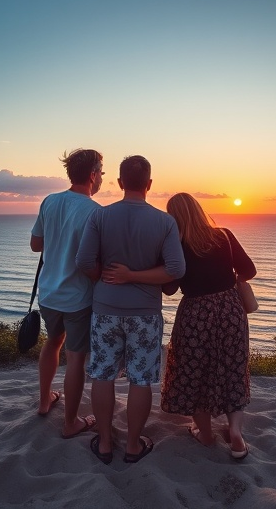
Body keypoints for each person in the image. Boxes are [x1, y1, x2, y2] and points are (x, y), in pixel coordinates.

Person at [75, 155, 186, 464]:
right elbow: (175, 268)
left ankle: (107, 443)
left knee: (103, 375)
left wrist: (111, 278)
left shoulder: (100, 217)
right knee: (140, 379)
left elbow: (83, 262)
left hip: (105, 310)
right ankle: (134, 445)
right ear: (149, 184)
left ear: (120, 183)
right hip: (145, 314)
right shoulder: (165, 222)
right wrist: (138, 277)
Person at [160, 192, 256, 460]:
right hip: (230, 311)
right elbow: (249, 270)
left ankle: (205, 434)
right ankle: (235, 432)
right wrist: (228, 277)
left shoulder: (176, 245)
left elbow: (168, 289)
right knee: (232, 370)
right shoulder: (223, 235)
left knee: (194, 373)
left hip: (195, 314)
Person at [30, 148, 104, 439]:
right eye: (102, 172)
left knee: (52, 343)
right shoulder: (96, 212)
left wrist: (58, 240)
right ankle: (71, 422)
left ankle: (44, 400)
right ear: (92, 175)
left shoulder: (50, 201)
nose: (102, 178)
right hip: (78, 297)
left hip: (48, 293)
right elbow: (96, 258)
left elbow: (36, 245)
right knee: (76, 358)